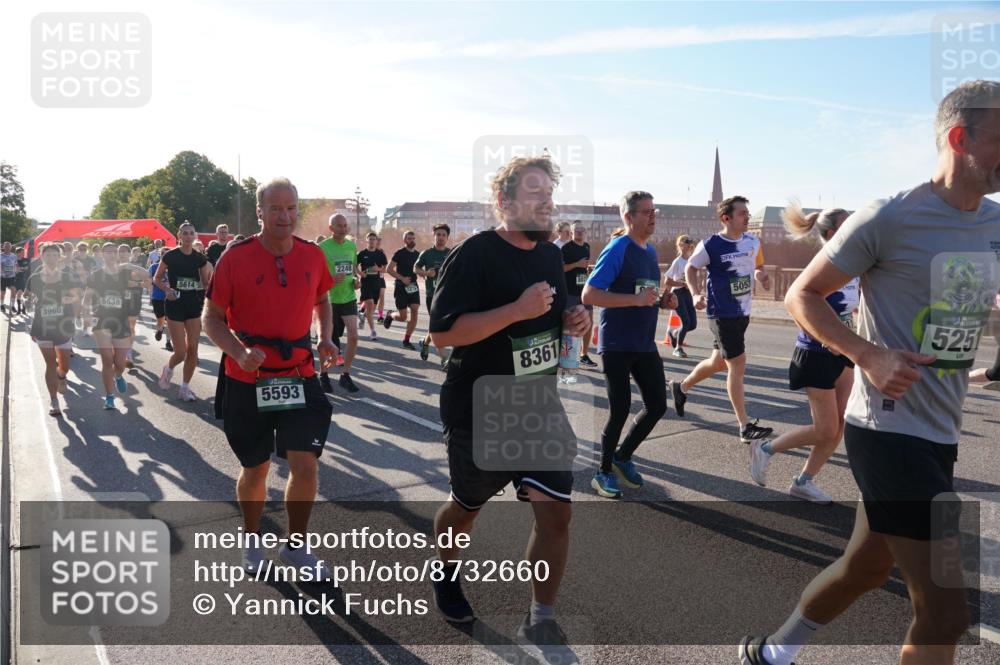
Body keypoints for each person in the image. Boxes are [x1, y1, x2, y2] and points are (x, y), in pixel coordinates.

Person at [739, 79, 1000, 665]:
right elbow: (802, 296)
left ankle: (772, 653)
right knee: (947, 610)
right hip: (885, 430)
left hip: (940, 430)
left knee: (865, 565)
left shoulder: (994, 223)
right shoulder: (891, 216)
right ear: (961, 138)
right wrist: (869, 355)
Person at [428, 155, 590, 662]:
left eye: (550, 195)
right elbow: (443, 334)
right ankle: (446, 570)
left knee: (556, 514)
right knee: (465, 509)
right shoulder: (474, 254)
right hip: (480, 404)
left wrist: (574, 318)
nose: (547, 203)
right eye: (536, 193)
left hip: (536, 404)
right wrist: (516, 310)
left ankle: (540, 619)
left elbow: (553, 312)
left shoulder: (550, 255)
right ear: (505, 201)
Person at [203, 176, 336, 579]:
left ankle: (296, 546)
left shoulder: (313, 256)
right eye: (275, 208)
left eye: (291, 207)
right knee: (257, 468)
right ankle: (253, 536)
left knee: (306, 464)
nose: (285, 216)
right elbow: (211, 318)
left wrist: (326, 337)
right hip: (248, 380)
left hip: (299, 374)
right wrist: (239, 352)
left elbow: (323, 298)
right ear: (260, 212)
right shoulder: (235, 257)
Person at [747, 204, 857, 504]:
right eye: (850, 224)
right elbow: (793, 301)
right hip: (816, 354)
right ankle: (765, 449)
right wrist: (821, 336)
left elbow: (851, 306)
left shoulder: (855, 264)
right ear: (834, 233)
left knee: (839, 427)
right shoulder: (823, 264)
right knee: (826, 429)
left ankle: (803, 482)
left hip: (844, 353)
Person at [582, 192, 677, 498]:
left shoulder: (648, 251)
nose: (653, 217)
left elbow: (645, 293)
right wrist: (635, 300)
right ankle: (603, 471)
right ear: (629, 217)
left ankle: (623, 456)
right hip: (617, 343)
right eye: (647, 212)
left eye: (654, 211)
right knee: (620, 409)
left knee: (658, 405)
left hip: (644, 342)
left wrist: (662, 301)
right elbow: (590, 295)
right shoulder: (618, 247)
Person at [671, 195, 774, 444]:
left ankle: (681, 387)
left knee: (718, 362)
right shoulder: (711, 245)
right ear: (726, 218)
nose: (747, 216)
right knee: (737, 365)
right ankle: (744, 426)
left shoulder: (753, 241)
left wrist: (761, 276)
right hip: (721, 313)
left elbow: (757, 265)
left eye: (747, 212)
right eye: (742, 213)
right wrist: (695, 294)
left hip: (742, 312)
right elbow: (690, 268)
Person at [84, 243, 151, 410]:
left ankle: (119, 375)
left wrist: (129, 264)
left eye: (115, 252)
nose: (112, 255)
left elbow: (146, 277)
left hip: (121, 320)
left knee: (119, 362)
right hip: (102, 320)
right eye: (108, 252)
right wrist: (86, 316)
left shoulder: (124, 273)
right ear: (101, 255)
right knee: (107, 360)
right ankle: (109, 397)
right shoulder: (96, 275)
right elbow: (87, 298)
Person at [155, 222, 213, 402]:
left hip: (194, 305)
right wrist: (167, 290)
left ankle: (185, 388)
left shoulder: (199, 258)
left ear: (195, 235)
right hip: (175, 304)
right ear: (179, 236)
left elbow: (205, 283)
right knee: (180, 351)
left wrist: (208, 293)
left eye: (191, 233)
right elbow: (157, 278)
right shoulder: (171, 256)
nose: (188, 236)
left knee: (193, 349)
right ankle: (168, 369)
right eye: (185, 233)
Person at [26, 244, 79, 415]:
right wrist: (30, 301)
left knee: (64, 366)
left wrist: (67, 300)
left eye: (54, 255)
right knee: (50, 364)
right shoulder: (34, 277)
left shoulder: (66, 276)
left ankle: (62, 376)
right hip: (42, 325)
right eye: (47, 255)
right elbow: (28, 296)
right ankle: (54, 401)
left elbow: (76, 296)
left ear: (59, 257)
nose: (50, 258)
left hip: (63, 324)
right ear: (41, 256)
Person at [318, 214, 360, 393]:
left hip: (348, 297)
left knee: (354, 336)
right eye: (339, 226)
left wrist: (356, 280)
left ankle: (345, 374)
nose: (343, 229)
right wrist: (330, 279)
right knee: (325, 340)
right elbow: (316, 276)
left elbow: (353, 270)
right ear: (331, 228)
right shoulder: (322, 248)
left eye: (345, 225)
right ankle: (324, 374)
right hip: (328, 300)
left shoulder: (351, 246)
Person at [415, 224, 452, 365]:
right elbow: (415, 268)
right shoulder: (427, 253)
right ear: (434, 236)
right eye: (438, 234)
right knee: (437, 325)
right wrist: (425, 273)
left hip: (447, 295)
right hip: (432, 295)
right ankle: (444, 358)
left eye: (443, 235)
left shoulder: (451, 253)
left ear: (447, 237)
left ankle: (425, 343)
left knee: (438, 325)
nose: (441, 237)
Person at [562, 220, 597, 367]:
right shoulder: (566, 248)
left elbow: (584, 267)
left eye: (582, 229)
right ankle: (566, 357)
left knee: (588, 322)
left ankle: (584, 354)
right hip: (570, 292)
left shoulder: (587, 247)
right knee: (570, 325)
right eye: (577, 230)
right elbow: (561, 268)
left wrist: (587, 271)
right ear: (571, 232)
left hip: (583, 291)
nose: (580, 232)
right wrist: (577, 264)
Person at [383, 229, 421, 349]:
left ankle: (406, 340)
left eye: (413, 238)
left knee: (415, 310)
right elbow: (389, 269)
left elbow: (419, 269)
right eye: (409, 238)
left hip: (413, 286)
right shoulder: (399, 253)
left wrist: (424, 274)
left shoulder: (418, 255)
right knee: (404, 317)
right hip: (400, 286)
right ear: (404, 240)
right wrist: (402, 278)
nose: (412, 240)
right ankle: (391, 315)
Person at [663, 234, 697, 358]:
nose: (689, 244)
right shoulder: (678, 262)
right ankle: (678, 348)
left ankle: (674, 333)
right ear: (681, 245)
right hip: (677, 293)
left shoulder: (692, 261)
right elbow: (667, 281)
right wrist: (682, 283)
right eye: (687, 241)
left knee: (693, 324)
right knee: (686, 321)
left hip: (688, 293)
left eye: (691, 241)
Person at [357, 231, 387, 340]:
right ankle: (373, 331)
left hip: (376, 284)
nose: (372, 241)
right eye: (370, 239)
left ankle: (362, 316)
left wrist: (378, 269)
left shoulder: (380, 254)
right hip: (366, 284)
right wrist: (360, 273)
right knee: (369, 305)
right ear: (367, 240)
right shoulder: (362, 253)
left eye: (374, 239)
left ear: (376, 241)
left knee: (371, 309)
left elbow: (385, 269)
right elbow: (355, 266)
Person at [120, 244, 144, 368]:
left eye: (125, 251)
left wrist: (134, 283)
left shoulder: (136, 268)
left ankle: (128, 352)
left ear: (129, 253)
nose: (122, 254)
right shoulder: (113, 268)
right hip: (117, 302)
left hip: (133, 300)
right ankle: (120, 353)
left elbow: (146, 282)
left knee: (130, 327)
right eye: (120, 251)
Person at [148, 259, 172, 352]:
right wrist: (150, 297)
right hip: (157, 297)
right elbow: (149, 282)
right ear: (160, 255)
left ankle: (168, 342)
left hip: (171, 298)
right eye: (163, 253)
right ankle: (160, 329)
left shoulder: (175, 266)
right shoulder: (154, 267)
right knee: (160, 320)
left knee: (169, 320)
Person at [12, 247, 31, 315]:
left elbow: (26, 268)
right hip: (16, 279)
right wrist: (19, 269)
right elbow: (15, 269)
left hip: (25, 279)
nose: (24, 253)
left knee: (24, 295)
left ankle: (23, 309)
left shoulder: (26, 260)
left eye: (24, 252)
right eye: (22, 252)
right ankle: (19, 309)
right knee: (18, 295)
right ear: (18, 253)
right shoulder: (14, 260)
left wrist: (20, 269)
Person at [1, 242, 17, 314]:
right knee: (3, 292)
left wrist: (16, 270)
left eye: (9, 246)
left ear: (11, 247)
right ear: (3, 247)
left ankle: (13, 305)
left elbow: (15, 265)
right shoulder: (0, 255)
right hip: (3, 277)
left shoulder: (14, 255)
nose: (7, 248)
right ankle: (1, 305)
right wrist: (3, 272)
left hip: (11, 276)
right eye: (6, 246)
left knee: (13, 290)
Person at [375, 236, 387, 321]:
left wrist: (380, 269)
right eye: (377, 242)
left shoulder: (382, 252)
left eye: (379, 242)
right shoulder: (367, 252)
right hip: (370, 279)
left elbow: (385, 268)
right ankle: (363, 312)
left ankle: (380, 316)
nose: (378, 244)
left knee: (382, 296)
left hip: (380, 277)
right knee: (373, 300)